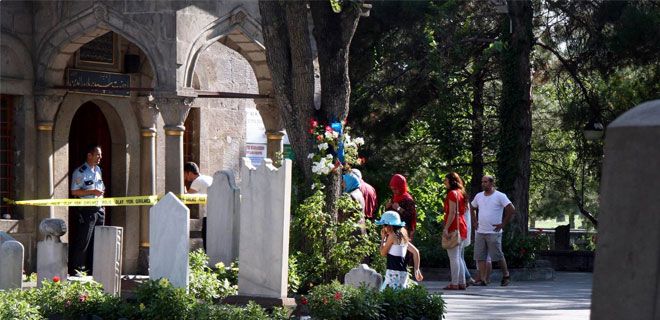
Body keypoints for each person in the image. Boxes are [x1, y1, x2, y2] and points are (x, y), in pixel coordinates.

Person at [471, 175, 516, 286]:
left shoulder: (500, 196)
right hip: (480, 231)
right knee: (480, 256)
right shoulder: (479, 196)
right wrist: (474, 221)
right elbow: (471, 207)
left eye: (486, 182)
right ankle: (483, 279)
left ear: (491, 183)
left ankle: (506, 275)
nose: (483, 184)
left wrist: (503, 223)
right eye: (482, 182)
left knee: (498, 255)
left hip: (493, 232)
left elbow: (511, 209)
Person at [70, 144, 105, 274]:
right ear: (89, 155)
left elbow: (101, 187)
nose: (100, 157)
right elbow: (74, 191)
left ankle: (93, 268)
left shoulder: (98, 170)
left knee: (98, 240)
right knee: (84, 240)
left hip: (99, 209)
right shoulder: (80, 172)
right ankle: (78, 269)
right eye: (97, 154)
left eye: (100, 155)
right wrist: (93, 192)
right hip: (87, 210)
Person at [376, 211, 423, 291]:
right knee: (399, 295)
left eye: (384, 225)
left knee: (386, 297)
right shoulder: (402, 237)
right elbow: (416, 252)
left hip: (393, 273)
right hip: (403, 274)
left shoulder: (392, 236)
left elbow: (383, 253)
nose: (383, 228)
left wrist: (383, 238)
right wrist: (416, 269)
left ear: (389, 225)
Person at [442, 172, 469, 290]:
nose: (444, 183)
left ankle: (454, 283)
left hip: (454, 226)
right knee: (458, 257)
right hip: (462, 226)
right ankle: (462, 282)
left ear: (451, 181)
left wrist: (446, 228)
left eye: (446, 180)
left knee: (453, 257)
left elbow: (452, 212)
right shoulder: (461, 193)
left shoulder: (452, 194)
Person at [385, 174, 417, 240]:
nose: (394, 191)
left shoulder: (408, 200)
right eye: (392, 189)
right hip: (392, 230)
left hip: (403, 231)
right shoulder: (394, 197)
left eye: (396, 189)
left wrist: (399, 209)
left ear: (401, 187)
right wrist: (387, 208)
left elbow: (410, 217)